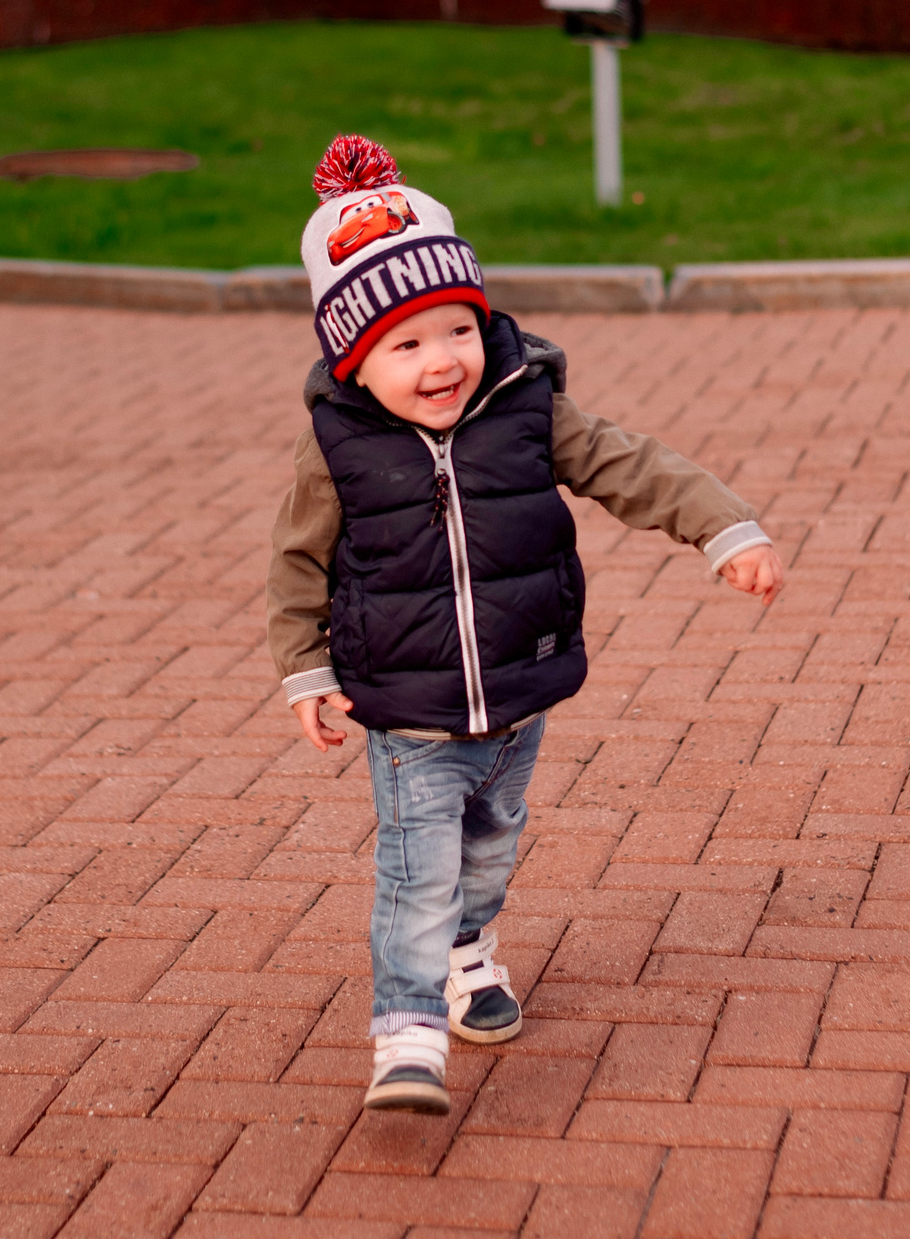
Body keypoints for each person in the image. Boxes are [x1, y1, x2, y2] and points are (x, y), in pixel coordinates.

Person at [268, 135, 786, 1116]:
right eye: (405, 346)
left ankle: (469, 950)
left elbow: (631, 465)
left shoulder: (526, 408)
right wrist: (304, 667)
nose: (442, 361)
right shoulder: (335, 448)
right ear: (355, 361)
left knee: (489, 846)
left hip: (519, 693)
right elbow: (297, 561)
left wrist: (724, 527)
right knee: (416, 867)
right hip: (407, 708)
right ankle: (407, 1036)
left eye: (457, 330)